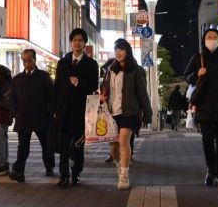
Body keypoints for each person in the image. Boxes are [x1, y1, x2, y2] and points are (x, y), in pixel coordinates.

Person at [184, 28, 218, 187]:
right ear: (204, 40)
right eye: (209, 37)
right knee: (207, 141)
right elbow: (186, 77)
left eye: (215, 37)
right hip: (204, 107)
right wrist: (197, 73)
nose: (212, 39)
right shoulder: (198, 58)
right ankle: (210, 170)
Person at [101, 39, 152, 190]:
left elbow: (143, 93)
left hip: (130, 112)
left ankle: (124, 176)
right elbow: (104, 88)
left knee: (123, 140)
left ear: (127, 51)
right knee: (113, 149)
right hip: (112, 113)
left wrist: (147, 114)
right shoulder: (110, 69)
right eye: (116, 49)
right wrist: (102, 96)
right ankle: (120, 166)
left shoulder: (136, 70)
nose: (118, 52)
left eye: (122, 49)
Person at [54, 28, 99, 187]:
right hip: (64, 111)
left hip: (81, 111)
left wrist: (79, 83)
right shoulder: (62, 63)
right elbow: (57, 87)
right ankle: (63, 175)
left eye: (80, 40)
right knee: (63, 145)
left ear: (84, 43)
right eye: (74, 40)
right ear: (71, 43)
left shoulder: (91, 64)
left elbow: (94, 85)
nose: (77, 43)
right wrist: (55, 109)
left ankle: (76, 172)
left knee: (78, 145)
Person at [10, 49, 55, 182]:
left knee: (46, 144)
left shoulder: (44, 77)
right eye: (24, 61)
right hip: (23, 117)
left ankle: (49, 167)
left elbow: (51, 97)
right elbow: (12, 98)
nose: (26, 63)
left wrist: (51, 113)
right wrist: (14, 112)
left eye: (29, 60)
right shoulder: (17, 79)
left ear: (35, 59)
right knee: (23, 147)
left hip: (41, 117)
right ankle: (19, 171)